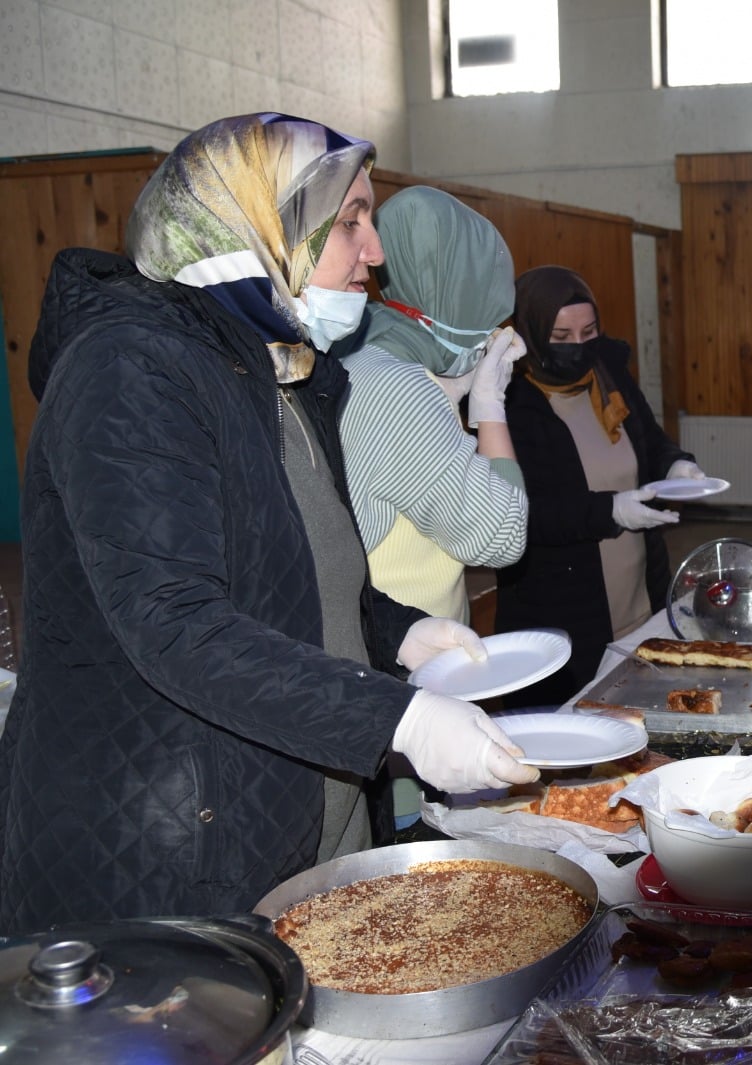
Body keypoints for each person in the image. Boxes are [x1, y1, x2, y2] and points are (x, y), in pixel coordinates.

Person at [0, 113, 540, 932]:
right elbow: (174, 622)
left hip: (300, 813)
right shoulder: (130, 368)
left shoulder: (285, 369)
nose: (375, 251)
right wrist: (392, 717)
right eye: (349, 221)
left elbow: (280, 574)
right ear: (255, 225)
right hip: (172, 851)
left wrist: (390, 629)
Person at [495, 266, 705, 704]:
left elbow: (649, 438)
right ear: (532, 333)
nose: (578, 347)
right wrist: (609, 511)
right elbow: (521, 514)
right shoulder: (511, 401)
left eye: (588, 332)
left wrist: (676, 466)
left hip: (638, 599)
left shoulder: (607, 373)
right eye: (561, 336)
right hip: (563, 611)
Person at [339, 185, 528, 624]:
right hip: (398, 661)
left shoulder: (362, 354)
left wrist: (449, 395)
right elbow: (501, 536)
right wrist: (490, 408)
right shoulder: (398, 388)